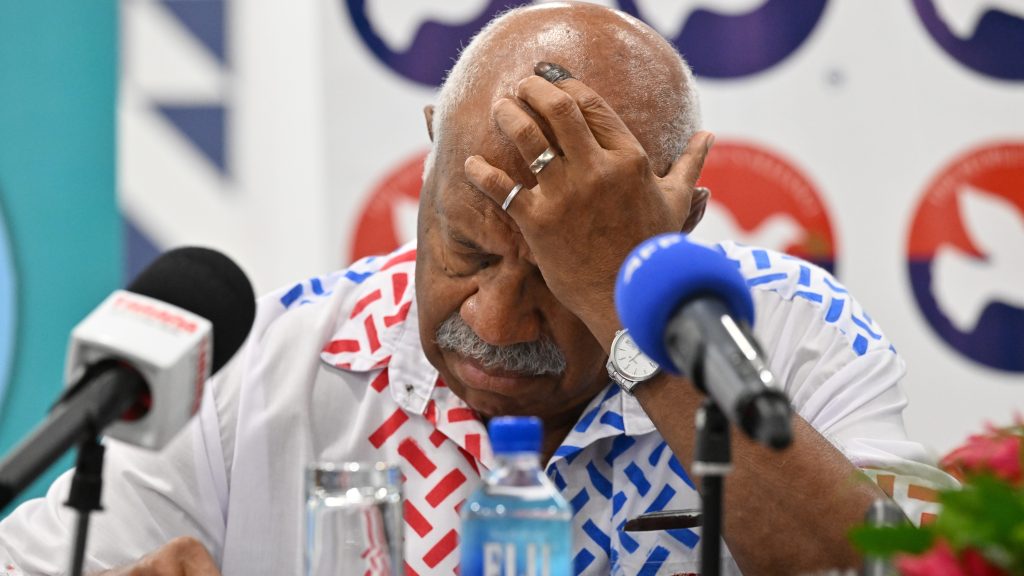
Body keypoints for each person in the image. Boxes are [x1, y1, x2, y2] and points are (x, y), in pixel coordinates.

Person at [0, 3, 955, 575]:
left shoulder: (791, 334)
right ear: (428, 160)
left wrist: (638, 313)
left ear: (677, 223)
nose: (495, 321)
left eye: (557, 279)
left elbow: (894, 570)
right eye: (465, 250)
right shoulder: (280, 363)